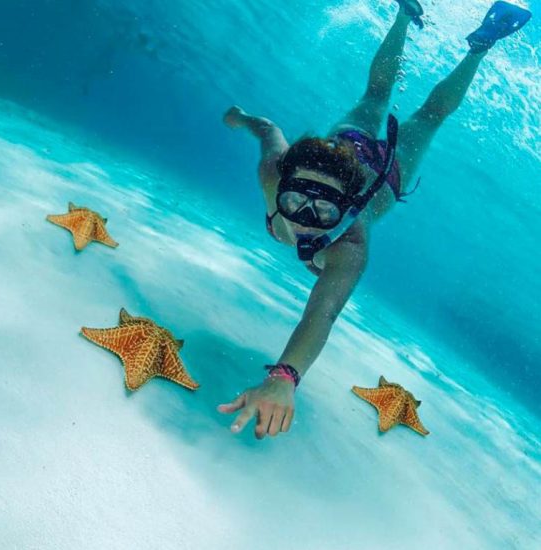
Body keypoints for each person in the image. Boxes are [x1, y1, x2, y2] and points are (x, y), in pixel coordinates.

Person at [217, 1, 531, 439]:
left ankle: (480, 46)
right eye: (296, 199)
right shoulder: (273, 173)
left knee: (428, 116)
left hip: (386, 173)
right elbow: (269, 130)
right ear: (282, 182)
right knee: (375, 93)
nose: (307, 219)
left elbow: (321, 314)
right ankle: (406, 12)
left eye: (325, 211)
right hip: (344, 144)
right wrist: (243, 118)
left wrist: (284, 378)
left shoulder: (351, 246)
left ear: (346, 209)